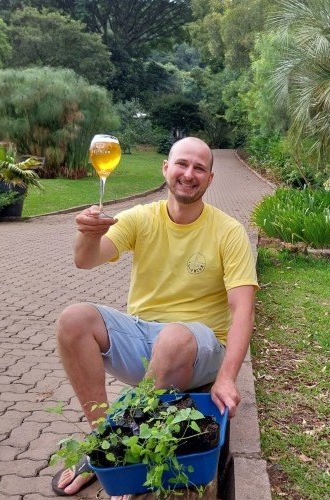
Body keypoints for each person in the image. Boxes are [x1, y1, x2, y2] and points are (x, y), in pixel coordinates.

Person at [51, 137, 258, 496]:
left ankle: (127, 455)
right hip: (147, 338)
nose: (188, 174)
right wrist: (87, 234)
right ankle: (105, 446)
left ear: (210, 179)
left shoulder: (228, 232)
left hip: (201, 347)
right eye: (181, 164)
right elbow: (86, 259)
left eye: (199, 168)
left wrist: (226, 378)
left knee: (175, 337)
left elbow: (243, 309)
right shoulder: (140, 218)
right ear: (166, 168)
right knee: (73, 320)